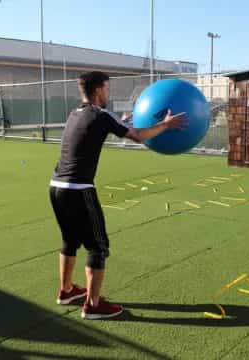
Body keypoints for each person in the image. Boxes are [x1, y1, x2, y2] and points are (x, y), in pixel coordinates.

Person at [49, 71, 186, 319]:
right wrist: (166, 124)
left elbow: (113, 128)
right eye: (107, 89)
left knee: (70, 240)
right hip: (79, 189)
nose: (108, 93)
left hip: (56, 187)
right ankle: (93, 305)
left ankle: (66, 290)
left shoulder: (75, 113)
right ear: (99, 89)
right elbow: (137, 136)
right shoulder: (101, 115)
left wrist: (127, 121)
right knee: (98, 248)